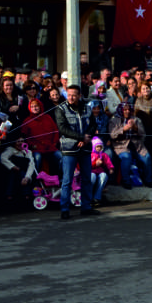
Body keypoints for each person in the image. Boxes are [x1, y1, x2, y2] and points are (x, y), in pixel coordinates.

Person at [54, 82, 100, 220]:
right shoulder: (61, 109)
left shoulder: (86, 108)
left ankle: (86, 206)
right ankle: (65, 208)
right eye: (69, 95)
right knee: (67, 180)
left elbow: (93, 125)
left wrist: (87, 138)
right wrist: (80, 137)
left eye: (74, 95)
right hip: (69, 149)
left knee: (86, 178)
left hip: (85, 148)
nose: (71, 98)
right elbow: (63, 129)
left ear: (80, 96)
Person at [110, 102, 152, 189]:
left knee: (147, 157)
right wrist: (124, 129)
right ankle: (126, 181)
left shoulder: (136, 120)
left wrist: (135, 128)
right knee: (126, 157)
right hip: (121, 146)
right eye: (125, 110)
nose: (127, 112)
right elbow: (112, 135)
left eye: (128, 110)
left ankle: (148, 180)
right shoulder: (114, 120)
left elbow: (143, 134)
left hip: (137, 146)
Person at [89, 136, 114, 206]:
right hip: (92, 171)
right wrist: (95, 164)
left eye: (100, 147)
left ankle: (97, 197)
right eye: (97, 147)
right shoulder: (90, 154)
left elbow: (108, 162)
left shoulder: (103, 155)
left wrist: (111, 168)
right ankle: (89, 197)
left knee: (104, 176)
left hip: (100, 171)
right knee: (92, 177)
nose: (99, 148)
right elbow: (87, 165)